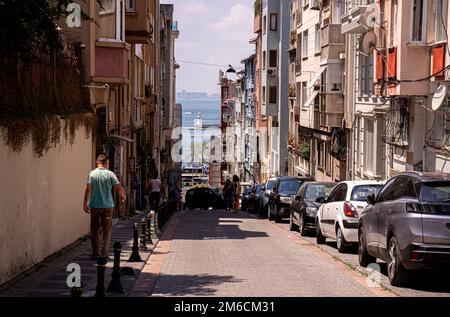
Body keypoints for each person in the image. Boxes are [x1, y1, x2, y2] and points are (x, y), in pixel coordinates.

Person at [83, 154, 126, 260]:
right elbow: (118, 186)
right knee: (107, 230)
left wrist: (85, 203)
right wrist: (123, 196)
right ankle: (105, 253)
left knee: (94, 229)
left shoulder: (92, 174)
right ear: (106, 163)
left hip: (95, 206)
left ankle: (95, 252)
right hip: (108, 206)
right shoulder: (110, 174)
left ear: (97, 163)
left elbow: (88, 189)